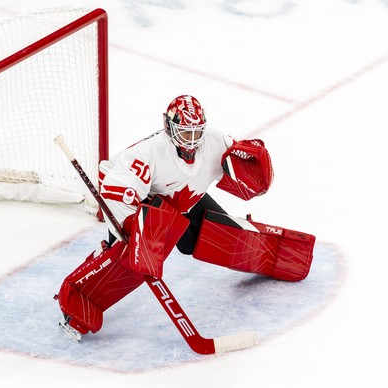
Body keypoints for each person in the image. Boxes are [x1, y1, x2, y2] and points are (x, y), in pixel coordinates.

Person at [55, 95, 314, 341]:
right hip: (142, 205)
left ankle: (276, 259)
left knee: (223, 237)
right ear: (169, 127)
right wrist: (137, 232)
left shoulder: (215, 140)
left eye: (196, 132)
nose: (191, 140)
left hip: (188, 197)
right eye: (185, 133)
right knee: (129, 259)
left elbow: (240, 162)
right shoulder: (146, 154)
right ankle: (77, 305)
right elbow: (115, 193)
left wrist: (252, 170)